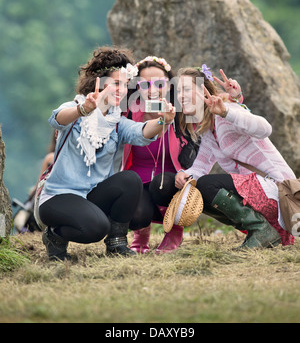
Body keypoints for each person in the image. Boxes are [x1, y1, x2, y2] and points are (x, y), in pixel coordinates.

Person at [38, 46, 176, 260]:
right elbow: (57, 119)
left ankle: (117, 244)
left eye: (124, 84)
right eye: (116, 84)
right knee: (95, 228)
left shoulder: (116, 120)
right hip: (58, 197)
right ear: (99, 83)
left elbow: (141, 132)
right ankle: (55, 235)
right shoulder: (76, 107)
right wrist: (83, 110)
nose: (122, 90)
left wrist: (162, 120)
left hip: (92, 196)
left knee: (129, 179)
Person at [151, 66, 295, 248]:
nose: (181, 96)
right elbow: (200, 168)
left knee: (206, 185)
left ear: (205, 91)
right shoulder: (209, 132)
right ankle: (260, 232)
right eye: (179, 91)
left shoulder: (227, 111)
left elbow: (265, 129)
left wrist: (227, 112)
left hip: (276, 189)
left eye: (187, 89)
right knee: (184, 186)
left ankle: (260, 229)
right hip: (256, 192)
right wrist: (183, 175)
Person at [123, 58, 241, 254]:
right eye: (145, 84)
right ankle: (140, 235)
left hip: (171, 184)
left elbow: (210, 107)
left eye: (159, 84)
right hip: (137, 182)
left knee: (163, 184)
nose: (152, 90)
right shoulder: (129, 111)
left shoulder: (181, 109)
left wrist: (235, 98)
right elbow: (104, 101)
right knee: (136, 214)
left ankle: (174, 232)